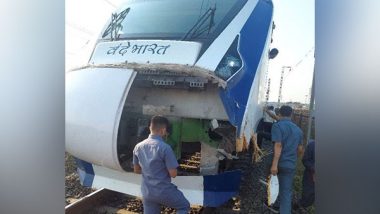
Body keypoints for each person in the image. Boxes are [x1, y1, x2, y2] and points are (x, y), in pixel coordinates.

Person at [133, 115, 190, 214]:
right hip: (163, 191)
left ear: (150, 128)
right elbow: (173, 174)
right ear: (163, 130)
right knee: (184, 206)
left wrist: (150, 171)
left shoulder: (138, 146)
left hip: (147, 192)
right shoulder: (165, 148)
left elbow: (136, 170)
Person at [270, 105, 303, 214]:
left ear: (279, 113)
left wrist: (274, 165)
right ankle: (278, 206)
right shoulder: (298, 130)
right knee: (286, 192)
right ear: (291, 114)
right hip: (290, 164)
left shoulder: (277, 126)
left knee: (276, 185)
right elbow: (300, 149)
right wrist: (294, 159)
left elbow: (278, 145)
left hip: (278, 163)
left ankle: (278, 206)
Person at [293, 139, 315, 211]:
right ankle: (295, 207)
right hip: (310, 177)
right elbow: (305, 160)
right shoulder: (312, 145)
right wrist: (314, 169)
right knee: (307, 198)